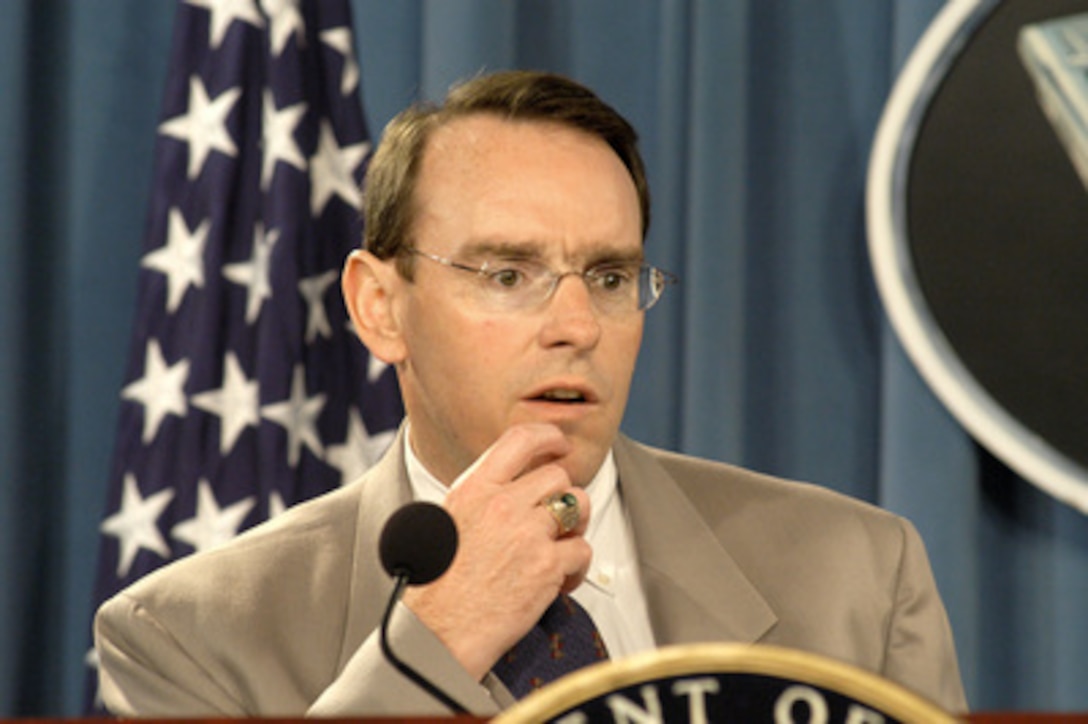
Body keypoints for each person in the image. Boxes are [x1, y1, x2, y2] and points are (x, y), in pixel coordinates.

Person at [95, 69, 967, 716]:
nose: (578, 325)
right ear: (379, 308)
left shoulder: (858, 575)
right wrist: (433, 641)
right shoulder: (187, 637)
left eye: (612, 276)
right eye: (509, 274)